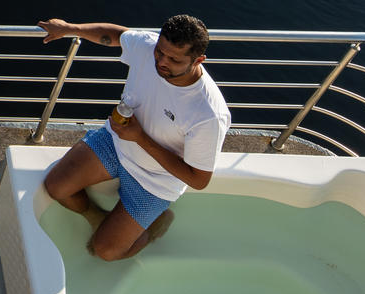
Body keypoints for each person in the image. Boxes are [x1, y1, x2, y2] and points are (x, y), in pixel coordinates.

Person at [37, 13, 231, 260]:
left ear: (198, 60)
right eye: (160, 51)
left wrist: (139, 138)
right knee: (56, 186)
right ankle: (97, 217)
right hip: (116, 143)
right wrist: (70, 29)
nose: (162, 61)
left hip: (156, 180)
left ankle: (153, 226)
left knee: (105, 251)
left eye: (174, 59)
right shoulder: (149, 47)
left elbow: (199, 179)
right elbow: (118, 35)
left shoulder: (208, 113)